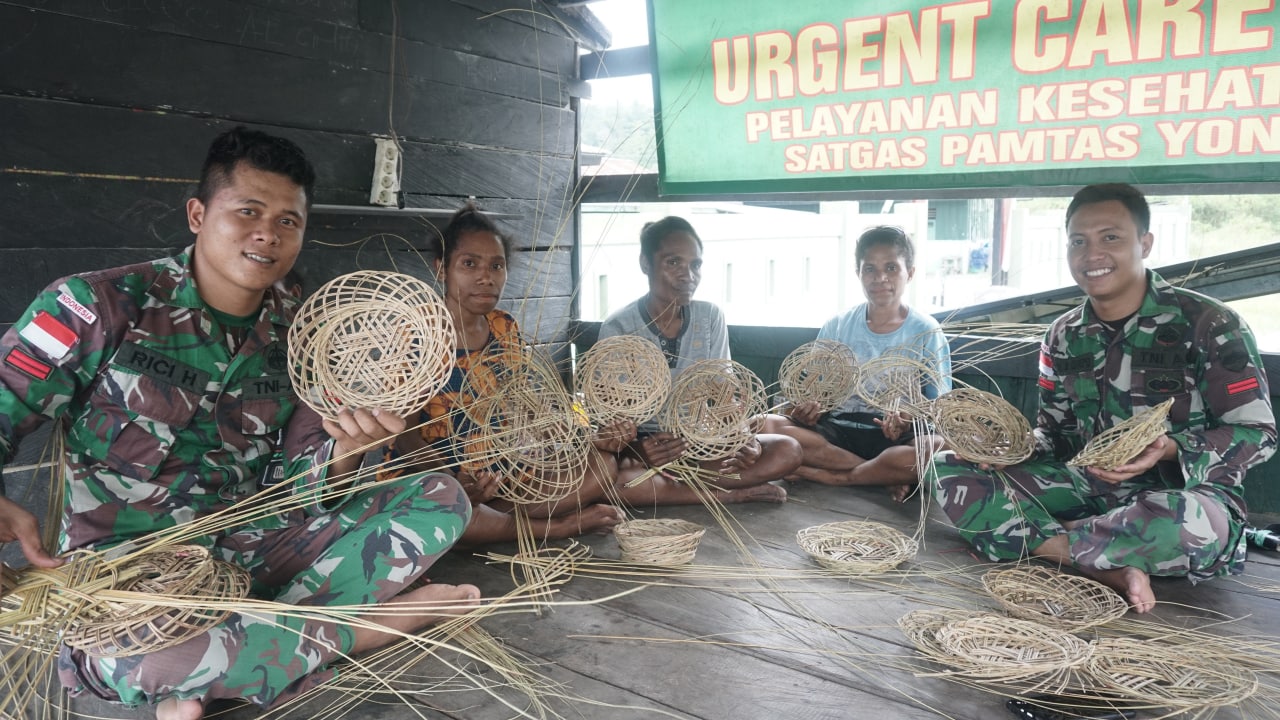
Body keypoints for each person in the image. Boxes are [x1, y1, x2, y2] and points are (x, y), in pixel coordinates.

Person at [0, 127, 480, 720]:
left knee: (440, 495)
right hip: (129, 573)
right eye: (248, 211)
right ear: (199, 214)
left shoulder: (303, 337)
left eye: (288, 221)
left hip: (255, 548)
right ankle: (367, 628)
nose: (267, 234)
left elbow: (299, 483)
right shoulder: (99, 306)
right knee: (144, 661)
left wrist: (348, 454)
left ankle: (233, 656)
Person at [931, 183, 1276, 613]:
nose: (1091, 254)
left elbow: (1258, 434)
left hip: (1184, 495)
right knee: (949, 468)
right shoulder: (1061, 335)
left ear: (1144, 243)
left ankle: (1051, 540)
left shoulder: (1209, 323)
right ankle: (1106, 559)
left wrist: (1169, 449)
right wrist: (1007, 450)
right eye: (1079, 241)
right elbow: (1053, 433)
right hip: (1085, 485)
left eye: (1110, 237)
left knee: (1185, 525)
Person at [597, 216, 801, 498]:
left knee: (786, 450)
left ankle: (680, 493)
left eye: (695, 265)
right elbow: (609, 424)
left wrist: (742, 439)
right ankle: (727, 494)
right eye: (673, 263)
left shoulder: (709, 317)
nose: (687, 276)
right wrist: (637, 450)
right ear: (646, 263)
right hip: (645, 452)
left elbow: (723, 396)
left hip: (701, 443)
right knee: (610, 479)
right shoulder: (619, 328)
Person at [762, 226, 951, 502]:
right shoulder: (837, 326)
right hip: (836, 438)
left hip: (895, 441)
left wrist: (907, 420)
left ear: (909, 273)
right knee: (764, 425)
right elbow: (807, 393)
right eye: (869, 269)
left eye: (891, 268)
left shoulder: (927, 332)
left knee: (938, 447)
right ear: (858, 273)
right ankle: (881, 475)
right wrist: (808, 410)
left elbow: (940, 408)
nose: (880, 278)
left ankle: (829, 476)